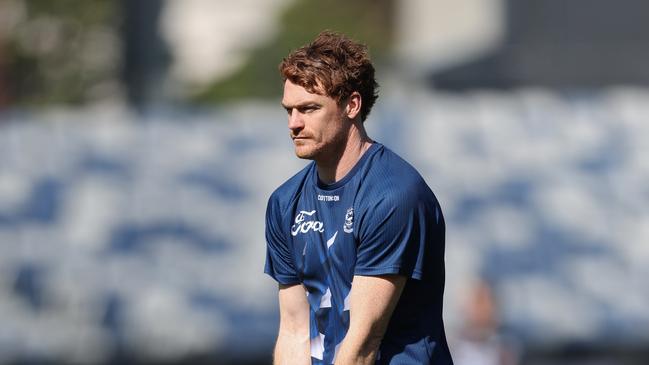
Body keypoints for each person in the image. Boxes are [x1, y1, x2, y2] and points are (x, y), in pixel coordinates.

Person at [264, 30, 453, 365]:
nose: (293, 123)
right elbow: (294, 329)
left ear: (352, 104)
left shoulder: (393, 197)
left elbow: (363, 344)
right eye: (288, 110)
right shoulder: (284, 203)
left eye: (308, 108)